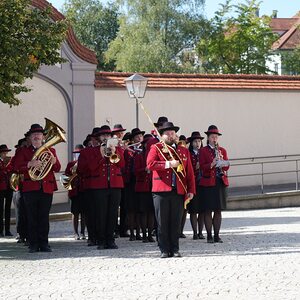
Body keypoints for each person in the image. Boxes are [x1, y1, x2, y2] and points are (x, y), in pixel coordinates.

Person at [147, 122, 195, 258]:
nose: (170, 135)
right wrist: (168, 164)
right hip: (160, 190)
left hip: (178, 190)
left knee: (175, 222)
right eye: (167, 133)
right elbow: (150, 164)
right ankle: (164, 249)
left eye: (172, 133)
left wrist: (191, 189)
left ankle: (175, 248)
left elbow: (189, 172)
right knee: (162, 222)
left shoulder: (183, 151)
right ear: (161, 136)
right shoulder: (156, 148)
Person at [14, 124, 61, 252]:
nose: (36, 136)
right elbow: (16, 167)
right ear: (30, 137)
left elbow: (57, 168)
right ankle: (33, 244)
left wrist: (54, 162)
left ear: (43, 137)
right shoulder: (23, 151)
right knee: (31, 217)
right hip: (30, 188)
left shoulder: (51, 150)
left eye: (39, 134)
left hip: (46, 188)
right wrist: (29, 164)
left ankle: (44, 243)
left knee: (44, 217)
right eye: (33, 134)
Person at [77, 125, 125, 250]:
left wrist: (115, 152)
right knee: (100, 214)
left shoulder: (117, 149)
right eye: (103, 135)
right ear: (98, 138)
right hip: (99, 187)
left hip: (115, 185)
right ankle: (101, 240)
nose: (106, 137)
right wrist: (101, 156)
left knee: (113, 214)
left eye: (108, 135)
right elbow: (85, 169)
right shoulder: (90, 151)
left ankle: (111, 239)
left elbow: (122, 164)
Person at [199, 125, 230, 243]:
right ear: (208, 138)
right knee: (208, 210)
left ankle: (217, 235)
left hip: (220, 182)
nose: (215, 139)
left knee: (218, 210)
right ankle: (209, 236)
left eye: (216, 137)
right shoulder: (203, 151)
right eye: (212, 137)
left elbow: (227, 166)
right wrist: (211, 164)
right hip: (208, 183)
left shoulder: (222, 150)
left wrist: (222, 161)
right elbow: (202, 167)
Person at [124, 128, 144, 241]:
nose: (139, 138)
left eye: (141, 136)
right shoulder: (128, 150)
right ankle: (131, 232)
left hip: (140, 181)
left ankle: (139, 232)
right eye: (137, 137)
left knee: (139, 208)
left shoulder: (143, 149)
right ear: (132, 140)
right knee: (131, 209)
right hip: (130, 182)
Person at [134, 134, 155, 243]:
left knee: (151, 212)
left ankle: (150, 234)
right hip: (142, 187)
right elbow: (136, 171)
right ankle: (144, 234)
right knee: (143, 212)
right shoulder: (139, 156)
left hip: (152, 186)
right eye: (147, 143)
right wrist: (145, 169)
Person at [187, 131, 205, 240]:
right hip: (193, 183)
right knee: (193, 210)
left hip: (203, 183)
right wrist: (196, 167)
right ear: (191, 143)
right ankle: (194, 232)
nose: (197, 143)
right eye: (195, 141)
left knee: (202, 209)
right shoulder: (189, 153)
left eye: (199, 141)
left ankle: (200, 232)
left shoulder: (204, 152)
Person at [64, 144, 86, 240]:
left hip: (83, 190)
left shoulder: (85, 163)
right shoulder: (71, 164)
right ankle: (75, 232)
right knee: (75, 213)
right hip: (74, 191)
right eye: (77, 154)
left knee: (84, 213)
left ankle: (83, 232)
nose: (78, 155)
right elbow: (65, 178)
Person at [0, 144, 13, 237]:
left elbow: (11, 170)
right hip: (1, 188)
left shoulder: (9, 161)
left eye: (6, 152)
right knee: (0, 209)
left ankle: (7, 230)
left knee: (8, 209)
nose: (5, 154)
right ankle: (0, 231)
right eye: (3, 153)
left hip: (9, 187)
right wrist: (4, 166)